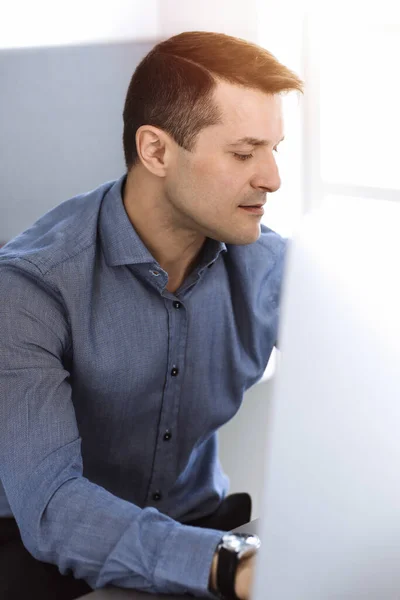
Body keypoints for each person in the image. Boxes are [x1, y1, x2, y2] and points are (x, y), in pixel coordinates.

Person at [0, 30, 303, 600]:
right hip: (42, 558)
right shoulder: (27, 288)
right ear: (156, 151)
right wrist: (224, 566)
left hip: (204, 532)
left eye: (274, 150)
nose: (272, 178)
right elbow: (53, 506)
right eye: (243, 153)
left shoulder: (267, 267)